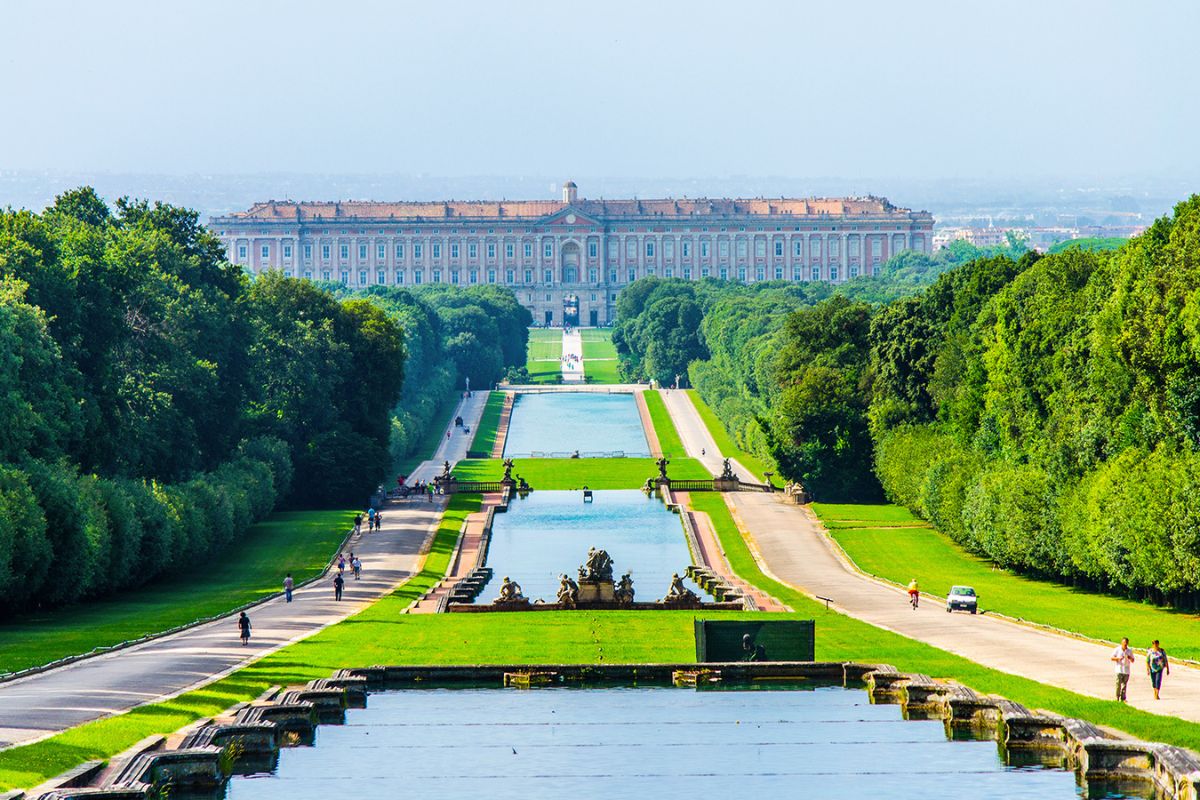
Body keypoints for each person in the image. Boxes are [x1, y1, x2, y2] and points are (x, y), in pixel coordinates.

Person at [1111, 637, 1135, 701]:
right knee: (1118, 684)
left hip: (1126, 670)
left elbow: (1133, 660)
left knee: (1124, 685)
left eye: (1126, 643)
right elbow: (1112, 658)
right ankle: (1117, 696)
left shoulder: (1129, 651)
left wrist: (1130, 658)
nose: (1125, 644)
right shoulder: (1117, 649)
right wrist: (1118, 658)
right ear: (1121, 642)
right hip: (1119, 669)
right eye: (1124, 642)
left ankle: (1123, 698)